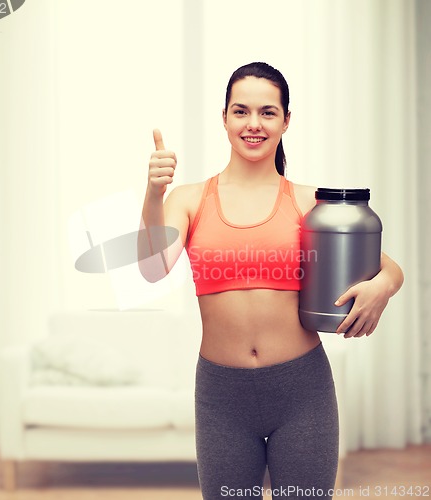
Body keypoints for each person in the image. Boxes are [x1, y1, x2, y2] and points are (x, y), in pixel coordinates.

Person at [138, 62, 404, 500]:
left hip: (302, 392)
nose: (253, 124)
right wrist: (153, 194)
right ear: (223, 118)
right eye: (241, 111)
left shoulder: (306, 202)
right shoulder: (189, 199)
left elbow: (386, 265)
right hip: (222, 395)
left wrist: (384, 286)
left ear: (285, 120)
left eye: (267, 112)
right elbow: (152, 268)